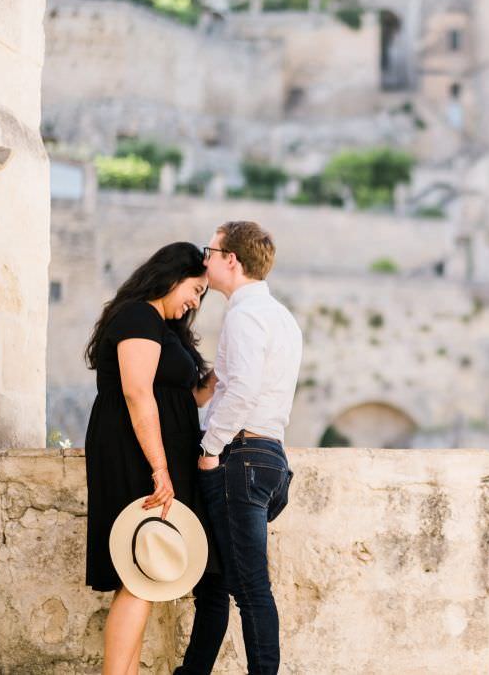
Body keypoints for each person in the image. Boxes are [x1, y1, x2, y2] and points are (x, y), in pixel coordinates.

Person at [83, 242, 216, 675]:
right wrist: (160, 468)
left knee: (142, 573)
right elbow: (138, 393)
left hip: (159, 451)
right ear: (172, 277)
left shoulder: (164, 327)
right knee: (139, 573)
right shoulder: (138, 316)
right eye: (195, 290)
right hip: (134, 451)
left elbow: (187, 397)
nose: (195, 302)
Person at [177, 221, 303, 675]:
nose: (204, 259)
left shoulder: (244, 315)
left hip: (240, 457)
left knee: (250, 589)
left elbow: (244, 390)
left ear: (231, 260)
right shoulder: (281, 317)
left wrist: (210, 449)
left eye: (210, 252)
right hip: (269, 456)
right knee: (216, 582)